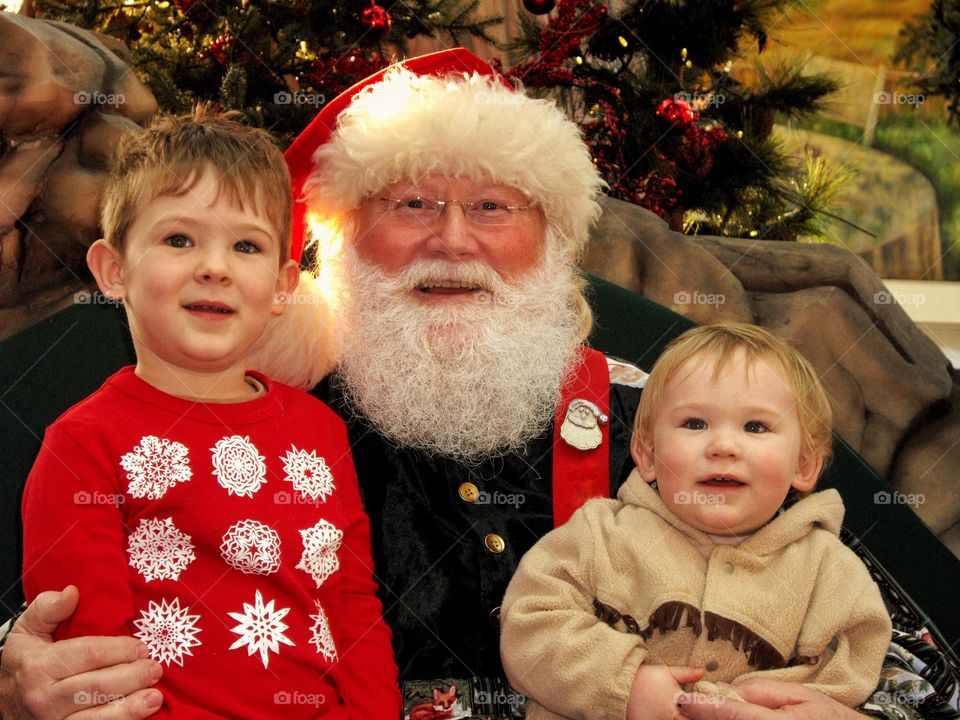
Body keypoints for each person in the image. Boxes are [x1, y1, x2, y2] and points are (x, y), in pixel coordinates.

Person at [0, 50, 949, 720]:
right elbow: (68, 597)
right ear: (336, 243)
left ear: (553, 243)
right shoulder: (261, 421)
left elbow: (901, 647)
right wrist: (16, 680)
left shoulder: (667, 420)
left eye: (493, 207)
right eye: (411, 203)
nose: (452, 241)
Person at [17, 107, 400, 718]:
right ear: (114, 271)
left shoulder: (321, 431)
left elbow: (351, 603)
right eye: (178, 239)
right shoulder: (84, 444)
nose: (214, 267)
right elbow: (93, 659)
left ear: (281, 287)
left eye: (245, 245)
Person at [499, 322, 891, 719]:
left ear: (804, 465)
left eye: (756, 426)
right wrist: (624, 683)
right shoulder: (598, 535)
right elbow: (529, 626)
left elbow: (850, 670)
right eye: (695, 423)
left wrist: (753, 704)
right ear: (648, 454)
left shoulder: (830, 571)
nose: (723, 446)